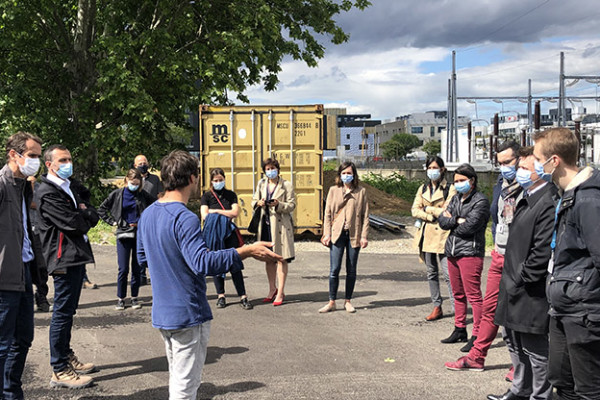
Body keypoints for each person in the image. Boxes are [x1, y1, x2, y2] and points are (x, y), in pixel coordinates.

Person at [137, 150, 282, 399]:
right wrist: (244, 251)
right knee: (185, 388)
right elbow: (203, 262)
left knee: (177, 378)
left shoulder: (148, 214)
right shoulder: (185, 218)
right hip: (187, 313)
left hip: (163, 313)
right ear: (193, 178)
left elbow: (142, 258)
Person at [533, 128, 600, 400]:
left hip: (584, 311)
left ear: (555, 161)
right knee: (562, 380)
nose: (534, 164)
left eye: (538, 158)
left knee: (588, 389)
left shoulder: (588, 199)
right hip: (563, 305)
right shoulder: (564, 195)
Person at [486, 147, 555, 400]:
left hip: (529, 289)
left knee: (535, 348)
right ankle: (519, 389)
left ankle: (540, 395)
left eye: (526, 168)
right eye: (520, 168)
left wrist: (522, 277)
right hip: (512, 283)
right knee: (514, 342)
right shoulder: (524, 195)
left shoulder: (547, 200)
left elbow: (541, 250)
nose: (520, 173)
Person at [446, 141, 523, 367]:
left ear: (519, 159)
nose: (503, 167)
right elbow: (497, 218)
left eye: (507, 162)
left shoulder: (528, 185)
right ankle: (477, 356)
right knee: (490, 308)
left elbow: (470, 224)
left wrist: (454, 221)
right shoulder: (502, 183)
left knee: (516, 313)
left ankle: (520, 367)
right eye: (499, 163)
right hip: (499, 253)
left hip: (516, 257)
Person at [36, 144, 99, 389]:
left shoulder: (69, 186)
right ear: (49, 164)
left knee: (68, 310)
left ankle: (66, 355)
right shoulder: (47, 192)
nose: (67, 164)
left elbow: (90, 211)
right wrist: (83, 214)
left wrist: (85, 211)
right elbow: (74, 224)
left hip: (75, 256)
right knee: (61, 313)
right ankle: (59, 368)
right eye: (62, 160)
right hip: (62, 257)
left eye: (69, 159)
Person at [0, 132, 42, 399]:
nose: (36, 161)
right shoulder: (2, 185)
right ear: (14, 155)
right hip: (4, 277)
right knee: (2, 344)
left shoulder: (23, 186)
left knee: (23, 338)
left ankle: (11, 391)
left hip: (24, 271)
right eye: (33, 156)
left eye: (39, 155)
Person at [438, 163, 490, 348]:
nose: (458, 184)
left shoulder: (480, 201)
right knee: (457, 293)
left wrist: (453, 221)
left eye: (462, 180)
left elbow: (470, 227)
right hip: (452, 251)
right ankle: (459, 328)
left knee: (473, 295)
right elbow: (442, 221)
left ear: (472, 180)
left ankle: (477, 334)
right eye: (456, 181)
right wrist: (456, 220)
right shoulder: (455, 199)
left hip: (470, 252)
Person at [98, 169, 155, 310]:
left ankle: (134, 297)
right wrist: (113, 222)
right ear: (126, 181)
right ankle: (121, 298)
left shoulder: (142, 195)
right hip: (123, 234)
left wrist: (143, 222)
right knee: (123, 269)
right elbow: (101, 209)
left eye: (137, 183)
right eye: (132, 183)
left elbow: (154, 208)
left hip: (139, 235)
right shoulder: (117, 194)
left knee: (137, 268)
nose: (134, 186)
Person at [319, 161, 369, 314]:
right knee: (334, 269)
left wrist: (364, 236)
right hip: (337, 234)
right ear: (339, 175)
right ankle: (331, 300)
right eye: (344, 173)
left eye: (349, 173)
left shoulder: (361, 191)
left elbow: (365, 216)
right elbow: (327, 214)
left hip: (354, 234)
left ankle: (348, 300)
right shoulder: (334, 190)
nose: (346, 176)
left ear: (354, 175)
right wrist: (326, 233)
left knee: (351, 270)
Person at [200, 168, 253, 310]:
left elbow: (235, 212)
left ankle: (243, 296)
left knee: (235, 264)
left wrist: (216, 211)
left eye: (220, 180)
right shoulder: (206, 196)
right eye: (215, 180)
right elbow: (204, 215)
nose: (218, 182)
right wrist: (225, 214)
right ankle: (221, 296)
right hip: (214, 236)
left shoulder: (230, 195)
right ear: (211, 181)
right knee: (217, 265)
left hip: (229, 235)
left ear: (224, 179)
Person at [411, 156, 456, 321]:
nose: (432, 171)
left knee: (448, 274)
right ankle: (437, 306)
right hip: (426, 234)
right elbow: (414, 210)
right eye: (430, 168)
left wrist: (427, 208)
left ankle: (457, 307)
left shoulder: (450, 189)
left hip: (444, 234)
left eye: (435, 167)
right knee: (431, 272)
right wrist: (430, 215)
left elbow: (447, 211)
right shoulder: (422, 188)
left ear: (443, 169)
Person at [251, 158, 296, 306]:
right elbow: (253, 200)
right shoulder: (261, 184)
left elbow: (292, 204)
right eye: (268, 169)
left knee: (281, 258)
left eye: (273, 168)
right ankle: (272, 289)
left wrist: (279, 205)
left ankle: (281, 291)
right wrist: (259, 202)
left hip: (281, 226)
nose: (270, 171)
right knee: (269, 258)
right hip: (265, 225)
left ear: (278, 169)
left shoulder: (286, 184)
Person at [133, 154, 162, 285]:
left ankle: (155, 274)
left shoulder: (155, 179)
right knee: (138, 248)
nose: (143, 165)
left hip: (153, 217)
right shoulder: (133, 180)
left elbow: (160, 196)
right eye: (140, 163)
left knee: (153, 246)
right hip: (137, 218)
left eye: (144, 162)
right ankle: (140, 274)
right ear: (135, 166)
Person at [27, 175, 52, 312]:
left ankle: (41, 296)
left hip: (38, 231)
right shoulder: (13, 186)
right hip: (20, 232)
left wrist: (31, 186)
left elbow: (40, 205)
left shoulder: (40, 188)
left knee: (41, 266)